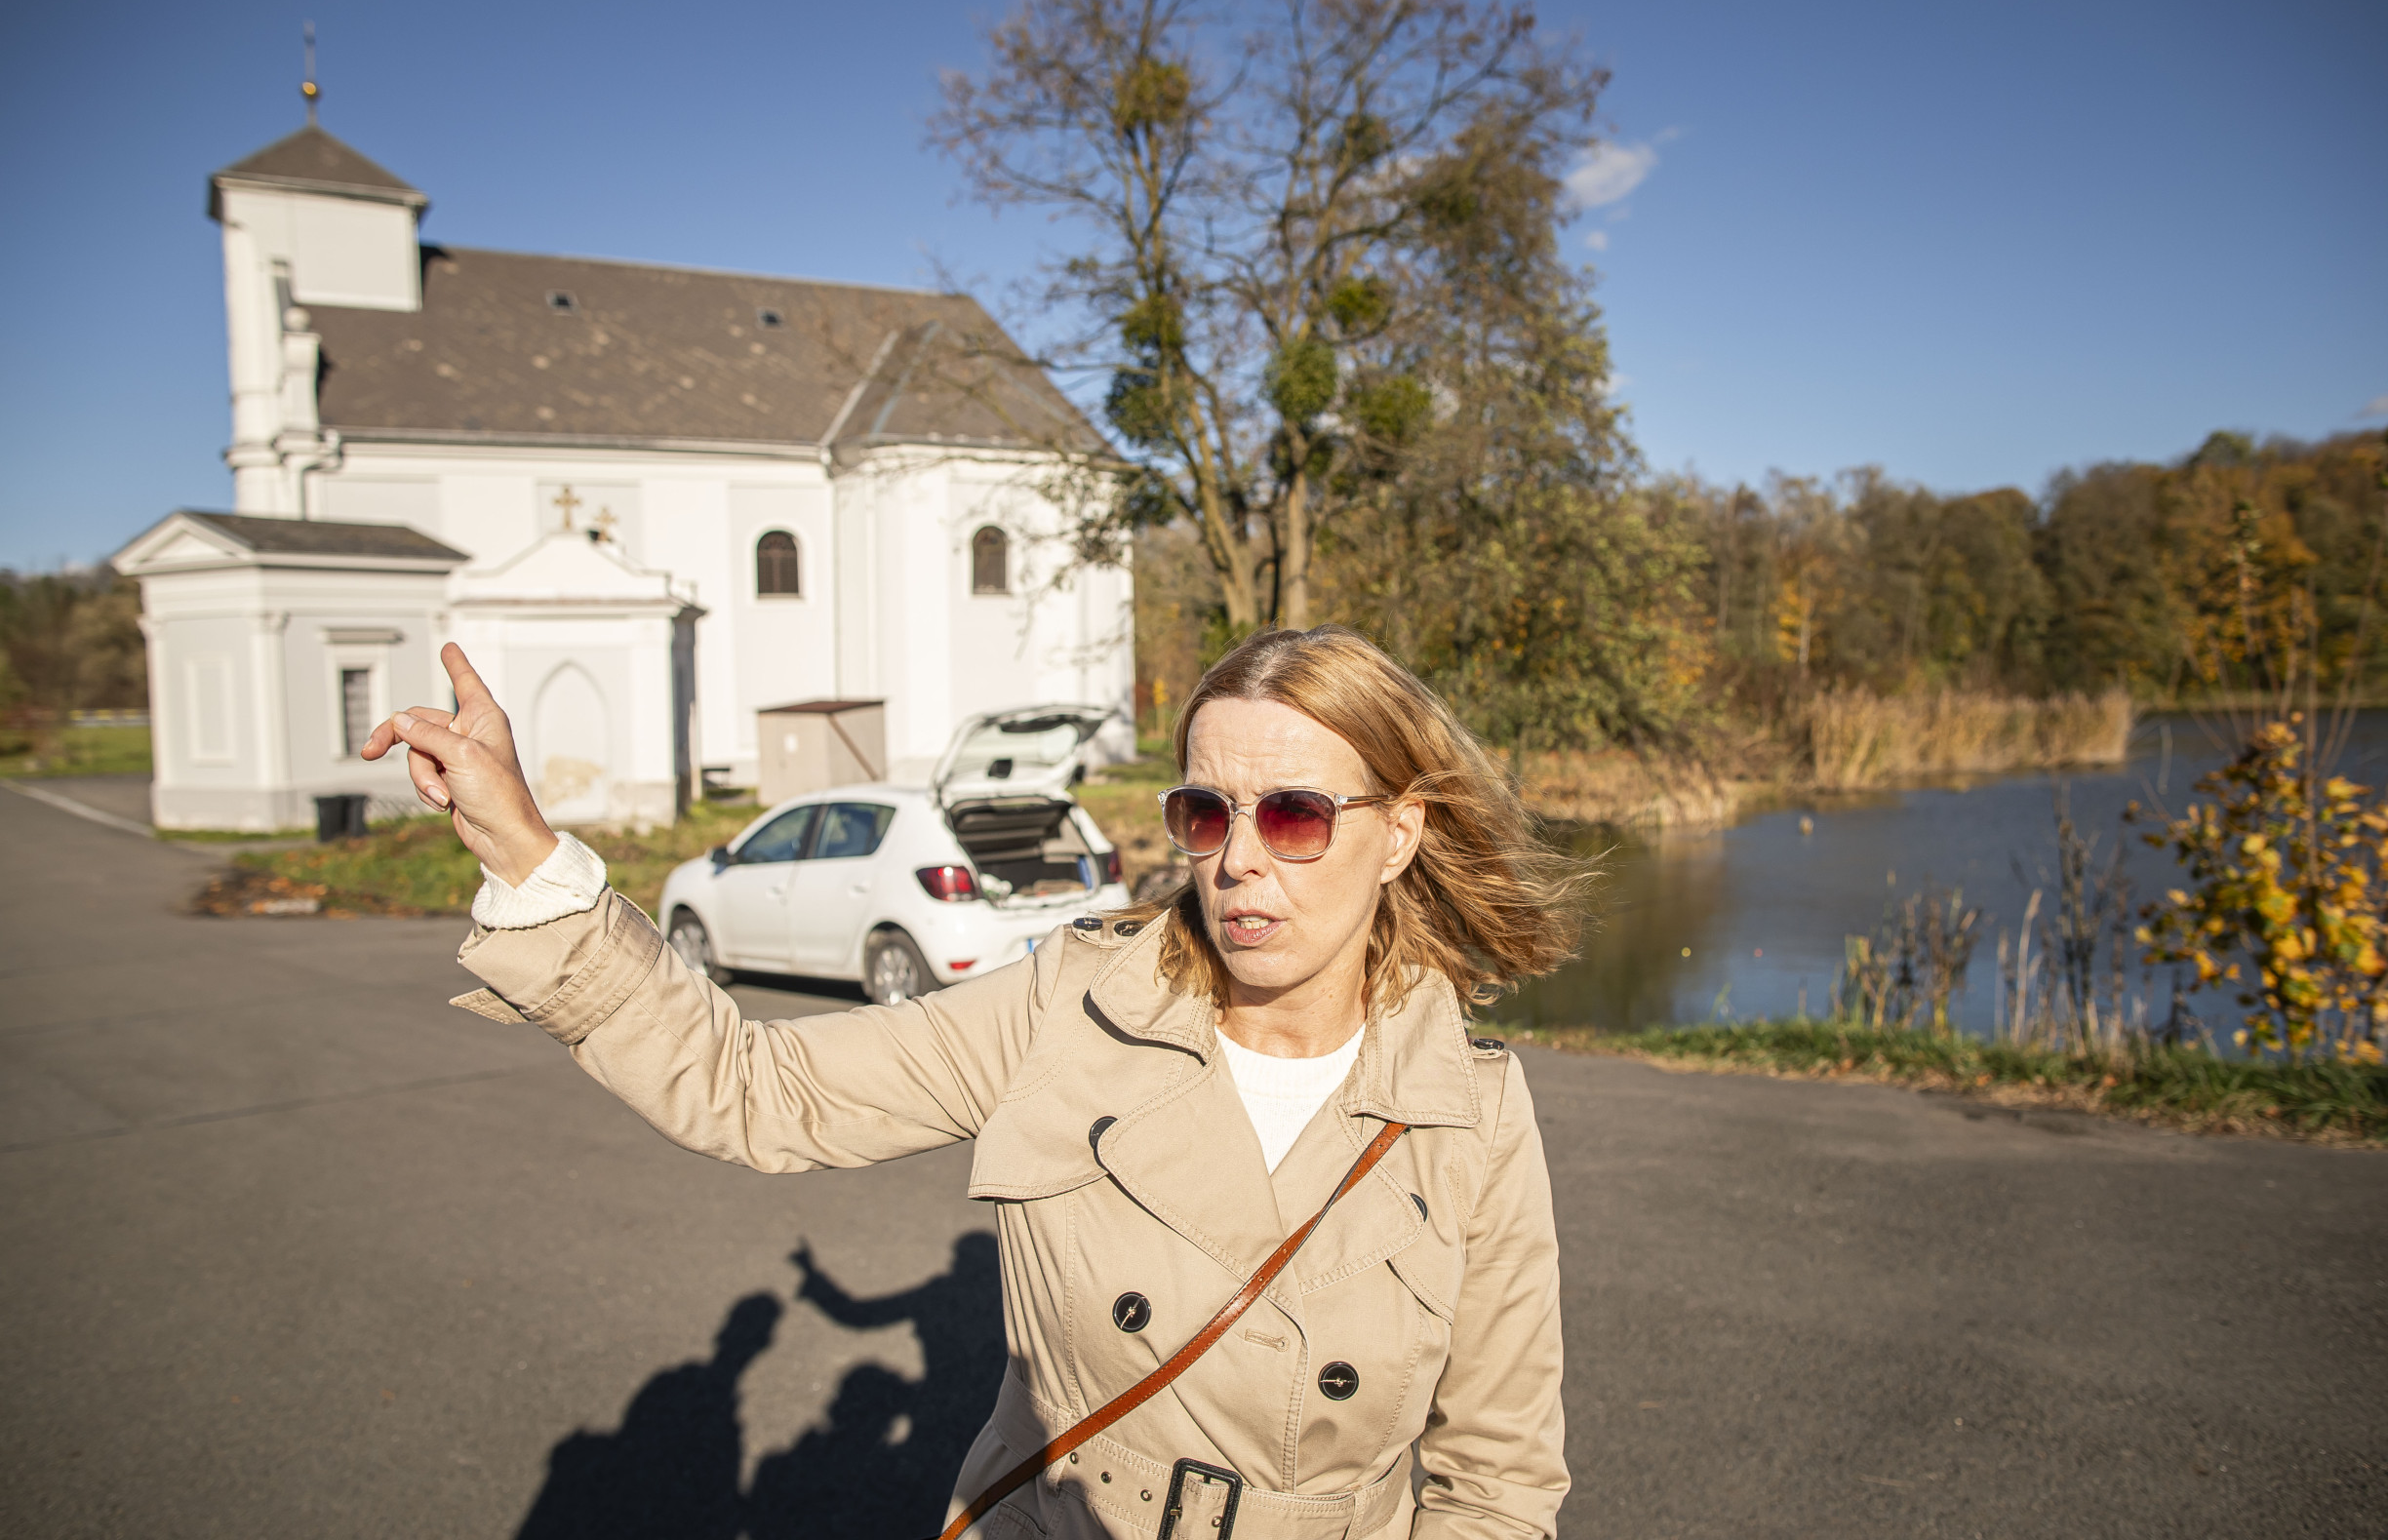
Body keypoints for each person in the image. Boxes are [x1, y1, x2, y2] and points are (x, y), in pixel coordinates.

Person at [367, 624, 1586, 1540]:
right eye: (1207, 816)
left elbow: (1499, 1477)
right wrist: (526, 850)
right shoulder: (1070, 1007)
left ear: (1404, 833)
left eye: (1300, 817)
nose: (1241, 864)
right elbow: (753, 1088)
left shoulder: (1469, 1114)